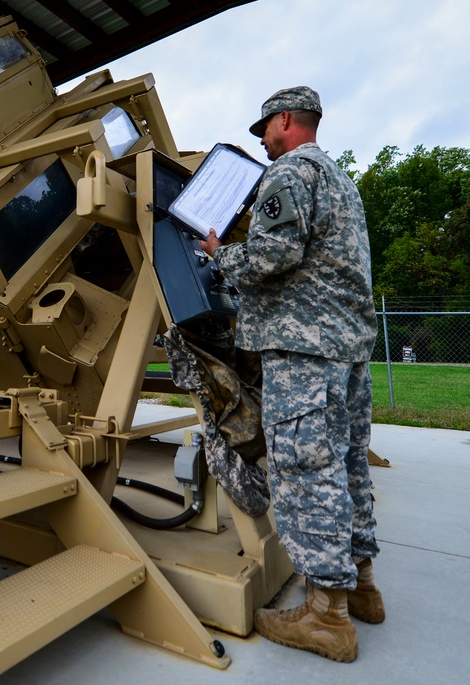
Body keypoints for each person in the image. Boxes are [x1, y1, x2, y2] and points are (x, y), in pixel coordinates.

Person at [200, 86, 383, 663]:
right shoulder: (339, 179)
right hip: (347, 350)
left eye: (265, 132)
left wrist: (218, 252)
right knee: (348, 466)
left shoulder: (290, 174)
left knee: (306, 471)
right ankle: (363, 590)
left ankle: (326, 615)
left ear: (285, 121)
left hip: (303, 354)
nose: (265, 144)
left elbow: (270, 259)